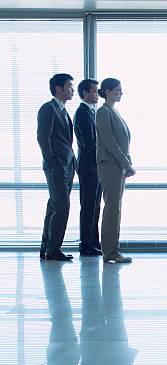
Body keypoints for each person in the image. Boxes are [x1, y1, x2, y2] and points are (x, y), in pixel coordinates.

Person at [95, 78, 135, 263]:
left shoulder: (114, 111)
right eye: (118, 90)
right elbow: (109, 141)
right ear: (108, 91)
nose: (121, 93)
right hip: (109, 164)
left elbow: (123, 140)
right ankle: (110, 251)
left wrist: (127, 161)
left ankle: (112, 249)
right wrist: (126, 163)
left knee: (115, 208)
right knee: (112, 208)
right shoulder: (103, 112)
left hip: (117, 164)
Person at [37, 73, 77, 261]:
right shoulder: (48, 108)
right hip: (57, 166)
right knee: (62, 206)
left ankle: (47, 248)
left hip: (66, 166)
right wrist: (52, 161)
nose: (72, 90)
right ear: (58, 88)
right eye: (69, 86)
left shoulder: (62, 110)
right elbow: (43, 137)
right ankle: (53, 249)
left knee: (54, 206)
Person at [74, 78, 102, 257]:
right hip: (89, 166)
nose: (97, 94)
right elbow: (88, 143)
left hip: (94, 165)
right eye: (94, 91)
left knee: (95, 205)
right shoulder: (83, 112)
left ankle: (93, 242)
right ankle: (86, 244)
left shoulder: (91, 111)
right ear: (85, 93)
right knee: (89, 206)